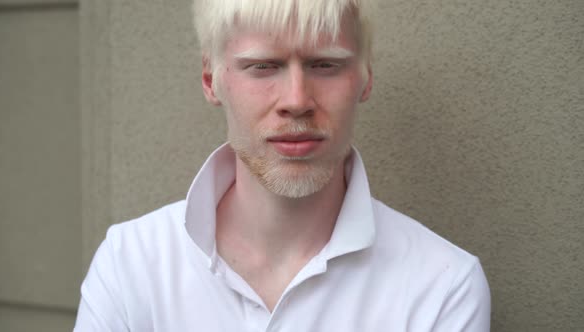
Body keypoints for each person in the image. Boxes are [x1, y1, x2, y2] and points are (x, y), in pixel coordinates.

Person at [74, 0, 491, 330]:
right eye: (263, 66)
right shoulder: (131, 264)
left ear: (365, 76)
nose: (296, 100)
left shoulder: (443, 285)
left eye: (325, 64)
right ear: (210, 79)